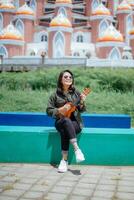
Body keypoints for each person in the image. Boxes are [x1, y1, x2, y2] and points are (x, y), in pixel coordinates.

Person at [46, 69, 87, 173]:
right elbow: (48, 111)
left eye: (70, 77)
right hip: (60, 121)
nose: (68, 78)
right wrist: (60, 109)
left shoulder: (76, 93)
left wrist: (82, 101)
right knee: (65, 121)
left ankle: (64, 161)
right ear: (60, 79)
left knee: (66, 129)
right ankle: (77, 149)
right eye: (66, 77)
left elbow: (81, 110)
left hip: (76, 123)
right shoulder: (55, 94)